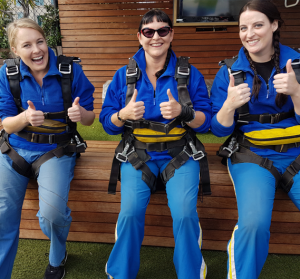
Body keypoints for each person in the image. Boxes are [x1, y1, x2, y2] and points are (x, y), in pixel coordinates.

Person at [100, 9, 211, 279]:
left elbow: (207, 123)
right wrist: (122, 115)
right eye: (149, 32)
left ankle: (191, 273)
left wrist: (183, 112)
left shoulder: (188, 73)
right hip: (138, 155)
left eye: (163, 30)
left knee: (185, 214)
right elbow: (106, 122)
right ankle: (120, 273)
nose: (156, 37)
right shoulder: (123, 75)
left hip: (180, 154)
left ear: (171, 34)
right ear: (140, 36)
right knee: (129, 213)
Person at [210, 0, 300, 278]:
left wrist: (297, 92)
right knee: (253, 224)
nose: (249, 33)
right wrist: (229, 106)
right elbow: (219, 130)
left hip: (296, 154)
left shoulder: (296, 64)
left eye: (258, 25)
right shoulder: (228, 71)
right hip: (252, 157)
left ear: (274, 25)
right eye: (243, 27)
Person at [0, 18, 95, 279]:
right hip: (14, 152)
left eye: (40, 41)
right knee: (2, 217)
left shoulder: (70, 70)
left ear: (47, 42)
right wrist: (25, 119)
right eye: (27, 45)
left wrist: (81, 114)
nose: (37, 50)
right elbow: (6, 124)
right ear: (15, 50)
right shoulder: (7, 74)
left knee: (52, 214)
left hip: (56, 151)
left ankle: (58, 253)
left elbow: (90, 118)